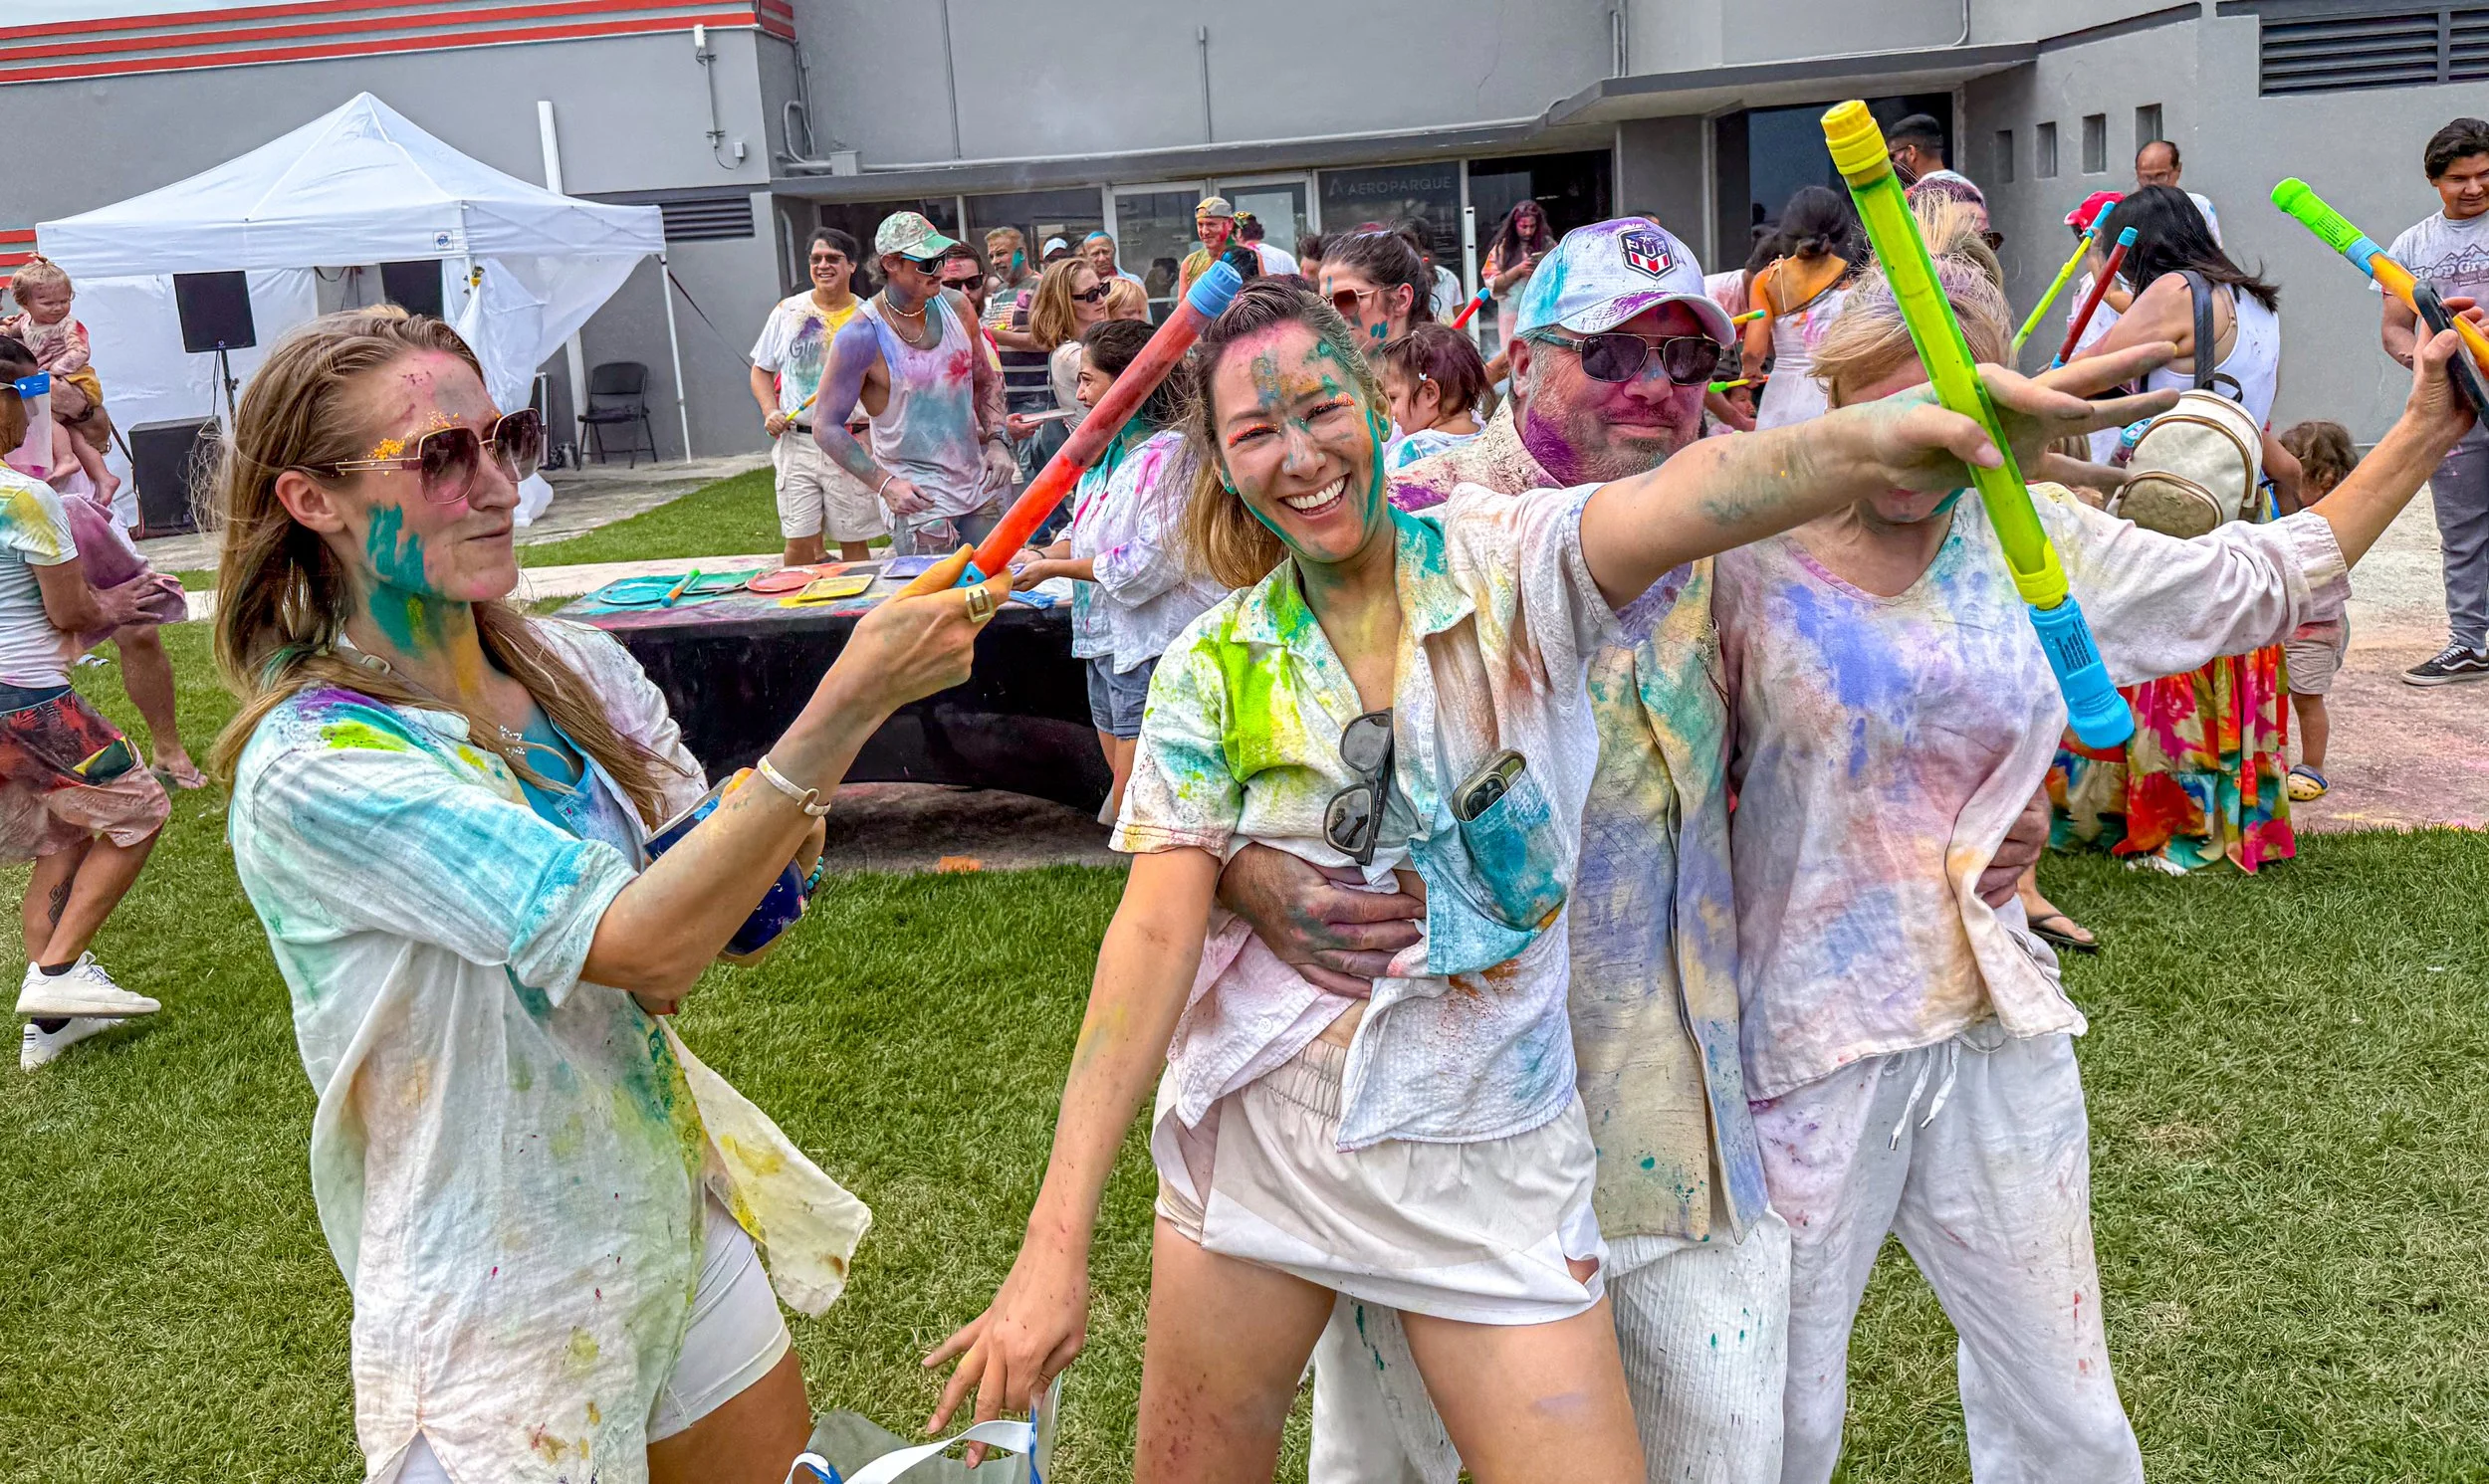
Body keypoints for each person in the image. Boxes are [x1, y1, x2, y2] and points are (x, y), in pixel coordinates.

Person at [926, 249, 2131, 1479]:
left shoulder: (1510, 564)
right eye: (1255, 431)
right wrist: (1051, 1244)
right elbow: (1149, 937)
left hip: (1492, 1138)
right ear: (1223, 463)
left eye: (1322, 409)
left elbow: (1700, 488)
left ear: (1377, 403)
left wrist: (1872, 439)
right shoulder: (1211, 666)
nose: (1297, 453)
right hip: (1275, 1135)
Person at [1717, 197, 2475, 1484]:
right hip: (1798, 1044)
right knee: (1773, 1425)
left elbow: (2265, 578)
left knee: (2067, 1420)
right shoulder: (1744, 550)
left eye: (1962, 428)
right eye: (1891, 417)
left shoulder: (2038, 543)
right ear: (1835, 397)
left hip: (1993, 1023)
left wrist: (2425, 426)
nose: (1922, 457)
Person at [211, 309, 1012, 1484]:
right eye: (442, 456)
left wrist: (780, 814)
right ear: (311, 502)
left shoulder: (577, 669)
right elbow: (644, 948)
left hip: (664, 1222)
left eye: (504, 439)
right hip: (490, 1295)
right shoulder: (317, 766)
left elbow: (734, 922)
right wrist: (845, 705)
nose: (497, 486)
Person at [2064, 184, 2299, 874]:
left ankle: (2177, 822)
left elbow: (2080, 376)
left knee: (2166, 654)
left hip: (2178, 504)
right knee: (2228, 655)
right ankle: (2237, 815)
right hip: (2243, 502)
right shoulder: (2257, 301)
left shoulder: (2172, 290)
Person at [0, 336, 169, 1072]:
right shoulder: (23, 496)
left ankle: (54, 1025)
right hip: (29, 699)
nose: (34, 416)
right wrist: (120, 597)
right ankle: (58, 973)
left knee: (63, 833)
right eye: (27, 399)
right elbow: (69, 611)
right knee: (140, 807)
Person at [1010, 318, 1222, 822]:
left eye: (1088, 379)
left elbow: (1152, 562)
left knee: (1139, 788)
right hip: (1105, 637)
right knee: (1124, 775)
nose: (1079, 393)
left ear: (1129, 383)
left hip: (1150, 641)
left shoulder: (1173, 456)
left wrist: (1051, 572)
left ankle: (1158, 883)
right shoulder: (1108, 456)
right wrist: (1043, 556)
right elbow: (1084, 527)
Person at [813, 213, 1017, 553]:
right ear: (891, 263)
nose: (940, 270)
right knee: (936, 603)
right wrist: (884, 484)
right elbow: (825, 426)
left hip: (978, 484)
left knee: (990, 592)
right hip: (918, 500)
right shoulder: (862, 335)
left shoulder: (957, 307)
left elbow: (984, 380)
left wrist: (998, 441)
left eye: (942, 259)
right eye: (928, 262)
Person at [2380, 115, 2489, 684]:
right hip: (2451, 411)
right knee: (2462, 528)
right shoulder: (2412, 246)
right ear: (2434, 181)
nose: (2474, 188)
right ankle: (2469, 642)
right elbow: (2395, 328)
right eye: (2460, 179)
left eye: (2485, 175)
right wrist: (2427, 361)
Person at [748, 227, 881, 565]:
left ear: (852, 266)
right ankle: (796, 614)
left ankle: (853, 616)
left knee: (854, 545)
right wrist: (769, 411)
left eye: (833, 258)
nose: (823, 265)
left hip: (851, 443)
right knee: (799, 544)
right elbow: (761, 370)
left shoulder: (870, 317)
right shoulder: (787, 312)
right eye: (816, 259)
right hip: (798, 443)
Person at [2276, 420, 2359, 800]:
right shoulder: (2278, 506)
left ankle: (2313, 766)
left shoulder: (2332, 519)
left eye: (2285, 472)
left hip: (2315, 628)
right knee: (2272, 694)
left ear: (2324, 478)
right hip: (2278, 625)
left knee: (2306, 698)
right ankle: (2272, 759)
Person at [0, 258, 118, 504]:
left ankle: (72, 461)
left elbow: (80, 353)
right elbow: (14, 333)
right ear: (25, 304)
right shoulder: (25, 323)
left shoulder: (67, 325)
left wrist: (52, 372)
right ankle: (100, 474)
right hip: (27, 471)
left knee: (47, 418)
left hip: (73, 378)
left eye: (64, 301)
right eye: (47, 303)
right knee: (65, 429)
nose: (57, 308)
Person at [1743, 186, 1861, 430]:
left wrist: (1750, 369)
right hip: (1837, 394)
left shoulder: (1767, 281)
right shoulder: (1855, 277)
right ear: (1839, 228)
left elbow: (1754, 351)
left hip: (1782, 397)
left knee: (1775, 464)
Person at [1016, 258, 1110, 471]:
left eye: (1103, 289)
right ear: (1065, 303)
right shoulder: (1071, 354)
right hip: (1098, 463)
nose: (1102, 300)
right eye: (1091, 295)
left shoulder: (1082, 346)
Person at [1377, 321, 1487, 473]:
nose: (1389, 410)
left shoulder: (1413, 451)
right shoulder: (1488, 438)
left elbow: (1381, 494)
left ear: (1430, 393)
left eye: (1393, 398)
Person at [1319, 229, 1432, 363]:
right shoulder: (1316, 378)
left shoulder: (1444, 378)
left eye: (1347, 299)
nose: (1331, 315)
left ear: (1401, 300)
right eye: (1323, 304)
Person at [1483, 199, 1559, 345]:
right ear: (1515, 225)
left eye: (1532, 226)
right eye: (1523, 226)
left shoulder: (1548, 245)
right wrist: (1518, 271)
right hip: (1511, 316)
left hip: (1542, 315)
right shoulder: (1502, 249)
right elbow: (1492, 284)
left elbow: (1561, 278)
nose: (1528, 231)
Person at [2134, 138, 2222, 245]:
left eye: (2160, 176)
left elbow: (2214, 255)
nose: (2153, 185)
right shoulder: (2128, 211)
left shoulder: (2199, 207)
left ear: (2178, 170)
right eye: (2145, 178)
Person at [1885, 112, 1971, 190]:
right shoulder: (1970, 189)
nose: (1892, 164)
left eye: (1892, 157)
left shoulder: (1915, 197)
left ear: (1911, 153)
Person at [1176, 196, 1241, 299]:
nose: (1205, 231)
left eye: (1211, 224)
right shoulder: (1190, 263)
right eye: (1200, 225)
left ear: (1230, 223)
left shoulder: (1247, 258)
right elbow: (1183, 308)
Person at [1082, 231, 1147, 289]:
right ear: (1085, 256)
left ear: (1114, 251)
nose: (1102, 259)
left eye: (1105, 252)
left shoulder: (1134, 283)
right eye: (1095, 254)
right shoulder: (1081, 287)